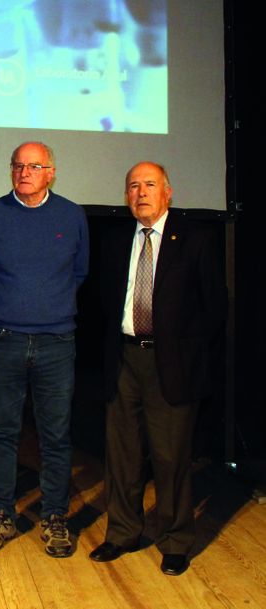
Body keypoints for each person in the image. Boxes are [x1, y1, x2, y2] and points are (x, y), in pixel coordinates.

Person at [89, 162, 226, 576]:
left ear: (168, 192)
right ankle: (123, 533)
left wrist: (189, 354)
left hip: (172, 364)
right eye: (133, 186)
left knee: (170, 459)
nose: (140, 192)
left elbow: (215, 308)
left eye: (149, 185)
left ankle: (175, 540)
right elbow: (101, 302)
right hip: (124, 359)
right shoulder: (115, 241)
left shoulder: (196, 239)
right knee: (122, 455)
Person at [0, 142, 88, 557]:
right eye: (18, 166)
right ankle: (1, 513)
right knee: (2, 431)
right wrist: (6, 312)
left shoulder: (72, 215)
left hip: (57, 341)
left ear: (51, 172)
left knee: (55, 435)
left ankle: (55, 516)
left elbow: (79, 272)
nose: (24, 172)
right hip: (3, 338)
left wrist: (48, 311)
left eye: (34, 166)